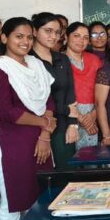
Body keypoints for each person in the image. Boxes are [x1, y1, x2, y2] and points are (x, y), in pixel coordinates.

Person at [0, 17, 56, 220]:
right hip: (13, 142)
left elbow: (49, 102)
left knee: (42, 197)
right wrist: (44, 124)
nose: (25, 42)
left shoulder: (36, 65)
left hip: (42, 140)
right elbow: (7, 111)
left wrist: (45, 135)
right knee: (13, 201)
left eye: (29, 37)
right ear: (4, 37)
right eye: (18, 36)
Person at [30, 12, 79, 169]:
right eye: (48, 31)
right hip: (37, 125)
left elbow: (70, 92)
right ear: (35, 31)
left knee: (67, 173)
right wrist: (66, 109)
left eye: (57, 32)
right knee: (43, 174)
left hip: (63, 124)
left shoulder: (62, 59)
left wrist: (73, 125)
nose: (53, 36)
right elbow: (33, 98)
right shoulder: (27, 59)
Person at [64, 22, 102, 149]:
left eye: (86, 37)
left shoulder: (94, 60)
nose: (81, 41)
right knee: (71, 160)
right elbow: (57, 94)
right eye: (76, 36)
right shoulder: (59, 60)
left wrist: (93, 115)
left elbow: (102, 91)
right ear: (66, 36)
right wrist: (81, 118)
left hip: (94, 113)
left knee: (90, 159)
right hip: (68, 116)